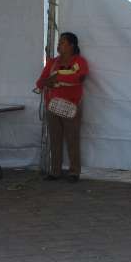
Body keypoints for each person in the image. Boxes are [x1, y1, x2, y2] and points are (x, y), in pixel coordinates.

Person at [35, 32, 89, 183]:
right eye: (59, 42)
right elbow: (39, 83)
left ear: (72, 45)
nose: (59, 45)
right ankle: (55, 171)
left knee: (72, 139)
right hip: (52, 106)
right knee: (55, 139)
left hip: (71, 106)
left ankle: (74, 172)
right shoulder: (52, 62)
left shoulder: (79, 61)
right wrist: (48, 81)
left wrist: (57, 77)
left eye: (63, 42)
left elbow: (81, 77)